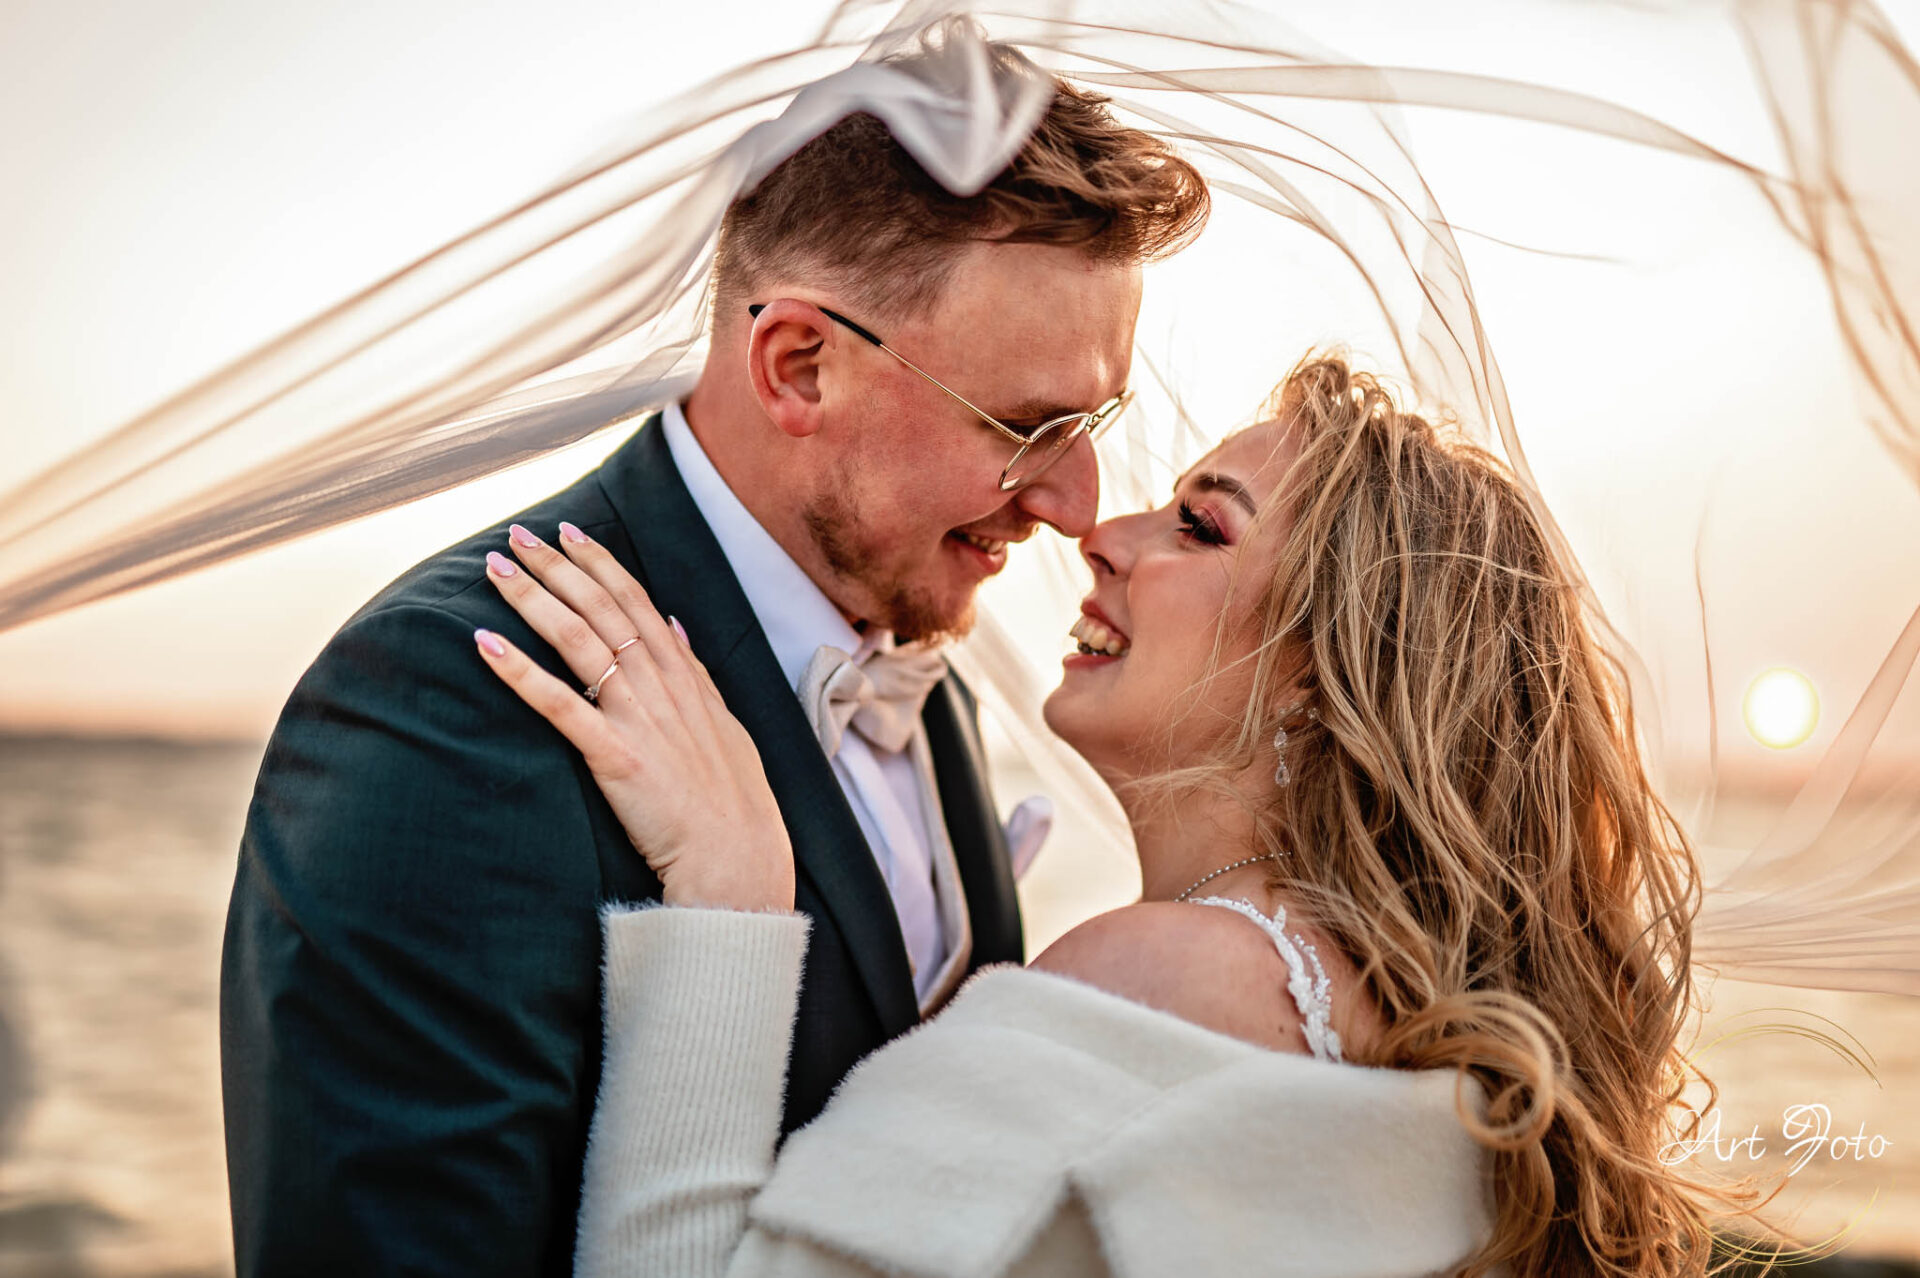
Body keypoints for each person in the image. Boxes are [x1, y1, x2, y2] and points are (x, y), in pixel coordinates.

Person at [216, 42, 1209, 1278]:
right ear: (800, 365)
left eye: (1093, 422)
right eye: (1027, 425)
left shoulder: (925, 671)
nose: (1075, 504)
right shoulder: (454, 704)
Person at [476, 354, 1731, 1276]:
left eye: (1200, 525)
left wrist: (733, 892)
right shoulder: (1397, 1010)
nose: (1098, 533)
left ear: (1322, 674)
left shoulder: (1161, 976)